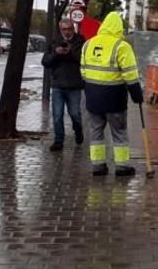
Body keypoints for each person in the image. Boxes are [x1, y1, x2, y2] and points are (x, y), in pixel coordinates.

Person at [80, 11, 143, 176]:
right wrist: (137, 95)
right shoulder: (121, 46)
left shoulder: (88, 44)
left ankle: (98, 166)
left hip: (93, 97)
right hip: (114, 97)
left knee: (96, 131)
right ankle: (122, 167)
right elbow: (130, 74)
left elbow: (83, 72)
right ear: (119, 28)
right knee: (119, 132)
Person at [41, 18, 85, 152]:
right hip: (58, 84)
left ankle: (78, 131)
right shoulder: (54, 42)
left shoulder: (80, 41)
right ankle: (58, 141)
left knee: (75, 114)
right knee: (57, 114)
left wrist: (70, 52)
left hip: (74, 84)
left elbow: (83, 60)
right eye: (64, 29)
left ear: (73, 28)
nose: (67, 32)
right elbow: (45, 61)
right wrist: (56, 53)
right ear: (60, 30)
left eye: (69, 29)